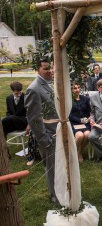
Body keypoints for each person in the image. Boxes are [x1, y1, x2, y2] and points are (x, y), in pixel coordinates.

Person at [24, 58, 59, 204]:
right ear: (37, 69)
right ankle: (55, 196)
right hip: (48, 136)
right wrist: (44, 139)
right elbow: (34, 119)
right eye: (46, 68)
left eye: (51, 67)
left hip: (57, 131)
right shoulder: (34, 89)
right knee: (51, 168)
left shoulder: (49, 83)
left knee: (59, 166)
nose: (50, 71)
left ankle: (62, 190)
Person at [69, 83, 91, 163]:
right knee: (80, 136)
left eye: (78, 87)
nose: (77, 90)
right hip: (74, 122)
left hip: (85, 122)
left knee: (87, 134)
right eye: (75, 88)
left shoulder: (85, 99)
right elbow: (68, 115)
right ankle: (72, 152)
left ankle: (79, 152)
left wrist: (90, 118)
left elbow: (90, 111)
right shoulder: (69, 100)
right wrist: (80, 120)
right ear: (71, 90)